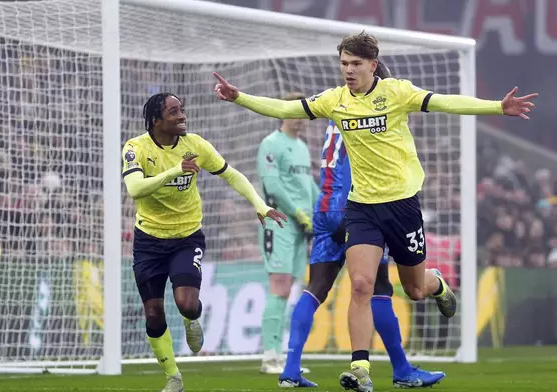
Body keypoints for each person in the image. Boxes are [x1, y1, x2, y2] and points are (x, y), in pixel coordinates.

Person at [213, 31, 537, 392]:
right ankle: (360, 367)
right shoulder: (335, 100)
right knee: (362, 284)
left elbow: (445, 102)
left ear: (372, 64)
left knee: (414, 289)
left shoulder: (396, 92)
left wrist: (497, 106)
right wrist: (238, 97)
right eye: (344, 64)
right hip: (362, 207)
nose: (348, 71)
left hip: (402, 206)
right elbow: (287, 109)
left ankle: (437, 284)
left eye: (355, 64)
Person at [278, 61, 443, 389]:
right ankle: (402, 370)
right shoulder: (365, 120)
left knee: (316, 289)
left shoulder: (333, 110)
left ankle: (290, 370)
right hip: (358, 208)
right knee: (378, 289)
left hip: (324, 210)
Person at [123, 93, 286, 392]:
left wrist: (259, 205)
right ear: (156, 121)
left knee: (186, 303)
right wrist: (175, 170)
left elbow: (231, 174)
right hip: (149, 242)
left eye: (182, 110)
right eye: (174, 112)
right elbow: (135, 189)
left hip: (187, 237)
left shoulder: (195, 145)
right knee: (153, 313)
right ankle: (173, 377)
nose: (182, 115)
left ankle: (191, 318)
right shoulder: (136, 148)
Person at [256, 92, 320, 374]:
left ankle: (281, 355)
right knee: (279, 286)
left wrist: (325, 210)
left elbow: (309, 187)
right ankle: (269, 356)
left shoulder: (302, 147)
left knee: (289, 289)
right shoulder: (271, 144)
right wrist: (298, 213)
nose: (303, 117)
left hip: (302, 227)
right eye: (298, 111)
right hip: (280, 223)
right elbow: (272, 186)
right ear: (284, 113)